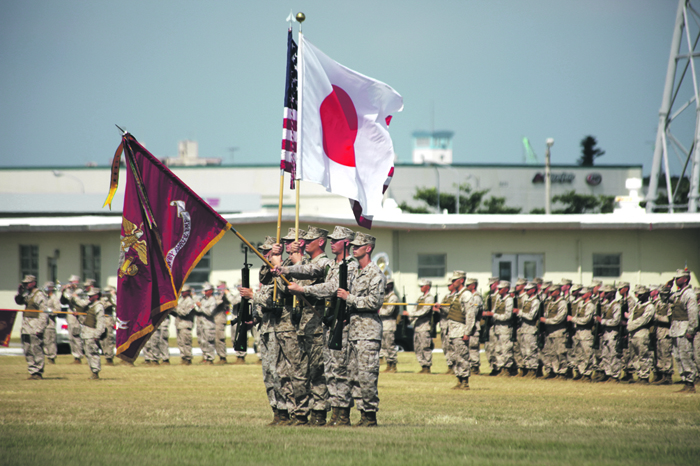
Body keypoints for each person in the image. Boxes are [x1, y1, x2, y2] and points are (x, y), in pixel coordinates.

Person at [275, 225, 332, 425]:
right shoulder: (305, 262)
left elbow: (309, 270)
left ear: (321, 242)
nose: (304, 243)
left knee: (317, 371)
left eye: (309, 240)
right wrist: (281, 260)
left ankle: (319, 414)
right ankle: (303, 414)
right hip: (303, 324)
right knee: (302, 371)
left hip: (316, 324)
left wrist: (290, 269)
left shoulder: (325, 263)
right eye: (303, 240)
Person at [337, 232, 385, 427]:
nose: (353, 248)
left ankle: (370, 415)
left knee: (367, 376)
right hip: (354, 332)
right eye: (353, 245)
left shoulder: (376, 274)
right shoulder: (355, 272)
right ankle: (362, 415)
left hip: (368, 333)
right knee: (354, 375)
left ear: (368, 248)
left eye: (358, 246)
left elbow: (375, 302)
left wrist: (349, 298)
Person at [443, 272, 478, 390]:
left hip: (460, 331)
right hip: (453, 331)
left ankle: (465, 382)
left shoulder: (466, 295)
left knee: (462, 357)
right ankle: (459, 380)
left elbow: (470, 314)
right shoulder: (457, 295)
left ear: (461, 280)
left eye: (455, 280)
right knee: (455, 357)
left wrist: (467, 332)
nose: (452, 283)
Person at [669, 268, 698, 393]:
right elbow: (666, 298)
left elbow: (693, 314)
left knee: (686, 356)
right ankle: (685, 382)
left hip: (684, 329)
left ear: (685, 279)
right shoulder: (679, 294)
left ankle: (690, 383)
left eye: (678, 278)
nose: (676, 280)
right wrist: (667, 287)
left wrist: (691, 330)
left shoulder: (689, 294)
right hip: (676, 330)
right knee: (679, 357)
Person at [15, 275, 49, 380]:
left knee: (36, 349)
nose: (26, 285)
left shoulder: (39, 295)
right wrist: (19, 293)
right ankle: (32, 370)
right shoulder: (28, 295)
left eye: (27, 283)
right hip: (26, 327)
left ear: (33, 283)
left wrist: (40, 328)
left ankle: (38, 371)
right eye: (24, 283)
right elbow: (19, 301)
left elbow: (44, 313)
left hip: (35, 326)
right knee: (28, 349)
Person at [626, 285, 656, 384]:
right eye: (638, 294)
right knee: (634, 356)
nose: (638, 296)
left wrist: (630, 326)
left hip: (642, 332)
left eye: (641, 294)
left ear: (647, 295)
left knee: (643, 355)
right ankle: (639, 374)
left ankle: (644, 376)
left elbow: (644, 320)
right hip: (633, 333)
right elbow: (631, 317)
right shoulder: (637, 305)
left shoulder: (650, 306)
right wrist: (629, 325)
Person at [486, 281, 515, 376]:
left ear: (506, 289)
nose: (498, 290)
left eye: (500, 288)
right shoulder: (499, 299)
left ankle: (507, 369)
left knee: (505, 349)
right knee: (498, 350)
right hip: (497, 328)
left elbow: (507, 316)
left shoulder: (509, 300)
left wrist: (493, 315)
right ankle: (501, 368)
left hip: (505, 328)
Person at [595, 285, 622, 383]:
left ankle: (615, 375)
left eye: (607, 293)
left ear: (612, 293)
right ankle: (608, 373)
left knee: (613, 355)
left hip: (613, 333)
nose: (604, 294)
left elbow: (616, 321)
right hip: (606, 333)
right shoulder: (606, 305)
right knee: (606, 355)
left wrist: (602, 321)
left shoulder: (616, 305)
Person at [541, 284, 568, 379]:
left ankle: (562, 372)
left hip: (559, 331)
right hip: (550, 331)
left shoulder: (562, 303)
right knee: (550, 353)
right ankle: (552, 370)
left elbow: (560, 318)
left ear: (557, 291)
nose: (550, 294)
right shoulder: (551, 303)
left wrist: (546, 321)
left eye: (552, 292)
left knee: (560, 353)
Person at [407, 279, 435, 374]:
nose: (421, 288)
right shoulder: (420, 298)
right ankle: (423, 365)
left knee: (425, 347)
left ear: (428, 286)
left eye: (422, 286)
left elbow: (425, 311)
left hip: (425, 326)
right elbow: (415, 309)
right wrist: (409, 318)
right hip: (417, 326)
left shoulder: (429, 298)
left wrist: (412, 314)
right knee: (417, 347)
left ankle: (427, 366)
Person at [78, 288, 106, 379]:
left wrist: (97, 335)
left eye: (91, 296)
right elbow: (86, 321)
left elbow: (100, 322)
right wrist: (78, 316)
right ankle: (93, 372)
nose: (89, 297)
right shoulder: (91, 306)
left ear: (96, 296)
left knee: (93, 353)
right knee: (88, 354)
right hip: (87, 333)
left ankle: (95, 373)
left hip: (92, 334)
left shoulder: (98, 306)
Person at [569, 286, 596, 382]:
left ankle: (587, 374)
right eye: (580, 294)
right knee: (579, 353)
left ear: (589, 294)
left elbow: (585, 320)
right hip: (578, 331)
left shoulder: (590, 306)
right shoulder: (581, 304)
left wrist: (572, 319)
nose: (581, 296)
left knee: (587, 354)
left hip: (586, 332)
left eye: (583, 294)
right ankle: (581, 372)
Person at [516, 282, 540, 378]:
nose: (526, 291)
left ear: (533, 290)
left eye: (528, 290)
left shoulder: (535, 302)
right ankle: (527, 369)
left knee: (531, 351)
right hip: (524, 329)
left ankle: (533, 370)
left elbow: (531, 316)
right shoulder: (527, 301)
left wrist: (519, 312)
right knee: (524, 351)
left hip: (531, 329)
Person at [651, 284, 673, 385]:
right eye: (661, 294)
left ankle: (667, 376)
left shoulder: (670, 304)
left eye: (665, 294)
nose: (663, 296)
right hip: (658, 331)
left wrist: (657, 317)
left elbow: (669, 319)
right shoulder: (658, 304)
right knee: (659, 354)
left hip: (666, 331)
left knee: (666, 354)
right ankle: (660, 374)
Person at [61, 275, 84, 364]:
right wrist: (63, 291)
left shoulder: (80, 291)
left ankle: (78, 356)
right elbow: (63, 302)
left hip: (77, 316)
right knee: (71, 337)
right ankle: (75, 356)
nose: (70, 284)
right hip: (70, 316)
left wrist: (68, 291)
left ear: (77, 282)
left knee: (76, 336)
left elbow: (73, 299)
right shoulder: (71, 291)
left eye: (72, 282)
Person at [379, 279, 399, 373]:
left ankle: (393, 365)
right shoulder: (384, 296)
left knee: (390, 346)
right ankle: (388, 365)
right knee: (384, 346)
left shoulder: (393, 297)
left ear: (390, 285)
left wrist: (378, 311)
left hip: (389, 325)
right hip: (382, 324)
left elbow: (388, 311)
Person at [174, 285, 196, 365]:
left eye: (184, 292)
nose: (182, 293)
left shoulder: (190, 301)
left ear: (188, 292)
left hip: (185, 325)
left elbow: (185, 313)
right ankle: (183, 358)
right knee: (180, 343)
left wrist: (176, 308)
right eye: (181, 292)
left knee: (186, 343)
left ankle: (188, 359)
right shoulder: (181, 300)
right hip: (179, 324)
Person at [196, 283, 217, 364]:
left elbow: (209, 312)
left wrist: (201, 306)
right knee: (203, 342)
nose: (204, 292)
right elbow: (199, 310)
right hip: (202, 325)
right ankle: (205, 358)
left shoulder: (213, 300)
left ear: (211, 291)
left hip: (209, 325)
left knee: (209, 342)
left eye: (206, 291)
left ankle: (210, 359)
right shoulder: (203, 299)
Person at [43, 281, 59, 364]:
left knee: (50, 341)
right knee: (44, 341)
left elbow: (58, 310)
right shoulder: (44, 297)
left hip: (50, 323)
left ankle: (51, 358)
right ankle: (46, 356)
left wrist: (50, 311)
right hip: (42, 323)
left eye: (48, 287)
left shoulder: (54, 298)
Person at [100, 285, 116, 365]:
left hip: (108, 320)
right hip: (102, 320)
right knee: (102, 340)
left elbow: (116, 304)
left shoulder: (113, 299)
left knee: (108, 339)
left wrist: (113, 295)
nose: (106, 293)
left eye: (108, 292)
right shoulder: (102, 299)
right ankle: (106, 355)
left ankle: (109, 358)